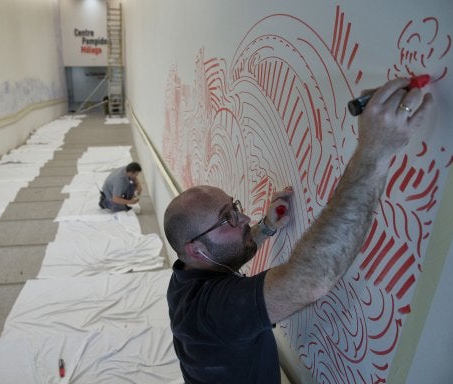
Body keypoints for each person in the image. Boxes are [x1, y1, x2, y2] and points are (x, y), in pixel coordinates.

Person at [163, 78, 434, 383]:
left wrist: (264, 228)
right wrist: (375, 151)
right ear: (196, 250)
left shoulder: (186, 273)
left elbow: (222, 254)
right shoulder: (213, 311)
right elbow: (311, 280)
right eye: (228, 219)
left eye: (235, 207)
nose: (245, 217)